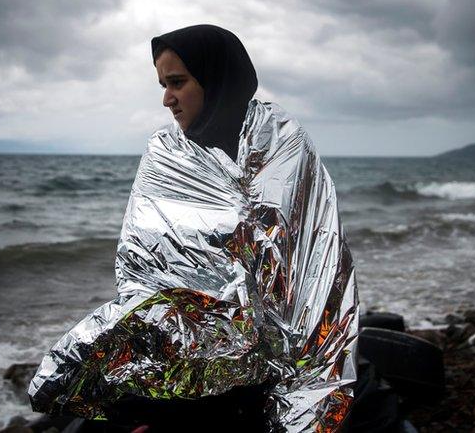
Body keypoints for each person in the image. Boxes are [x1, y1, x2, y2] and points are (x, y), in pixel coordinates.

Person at [29, 24, 359, 432]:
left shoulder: (281, 150)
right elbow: (140, 270)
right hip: (177, 356)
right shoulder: (165, 155)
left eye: (178, 83)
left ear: (217, 79)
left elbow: (311, 283)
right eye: (163, 85)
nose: (167, 98)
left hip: (255, 369)